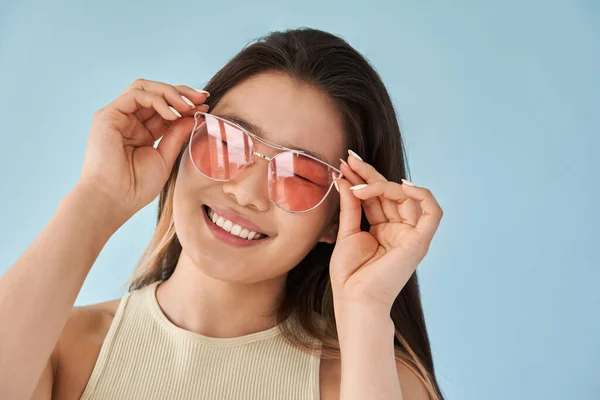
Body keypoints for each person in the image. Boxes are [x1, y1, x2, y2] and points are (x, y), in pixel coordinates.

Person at [0, 28, 444, 399]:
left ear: (337, 218)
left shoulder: (374, 380)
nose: (246, 192)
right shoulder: (62, 347)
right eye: (228, 141)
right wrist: (96, 198)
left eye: (301, 174)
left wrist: (365, 306)